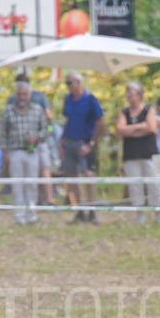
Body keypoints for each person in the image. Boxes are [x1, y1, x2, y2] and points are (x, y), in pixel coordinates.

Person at [0, 80, 49, 225]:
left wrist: (37, 136)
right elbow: (2, 134)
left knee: (31, 184)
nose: (22, 97)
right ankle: (19, 216)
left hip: (32, 151)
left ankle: (31, 214)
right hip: (15, 151)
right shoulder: (7, 111)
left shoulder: (38, 110)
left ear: (29, 95)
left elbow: (47, 130)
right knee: (17, 185)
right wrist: (4, 153)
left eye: (25, 94)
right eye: (19, 94)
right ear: (16, 95)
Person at [60, 71, 105, 224]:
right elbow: (67, 120)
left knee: (88, 175)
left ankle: (92, 211)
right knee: (73, 178)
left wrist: (91, 144)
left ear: (78, 83)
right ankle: (79, 210)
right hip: (69, 140)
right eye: (66, 83)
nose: (68, 86)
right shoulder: (68, 99)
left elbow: (101, 122)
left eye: (70, 83)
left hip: (85, 141)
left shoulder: (91, 99)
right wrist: (61, 140)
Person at [117, 81, 160, 226]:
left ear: (139, 94)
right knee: (135, 186)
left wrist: (130, 130)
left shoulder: (149, 109)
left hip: (150, 154)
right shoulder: (124, 112)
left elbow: (151, 127)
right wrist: (139, 127)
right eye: (127, 92)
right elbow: (120, 129)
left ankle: (159, 214)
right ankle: (140, 215)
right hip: (131, 154)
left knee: (155, 184)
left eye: (130, 93)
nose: (128, 95)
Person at [7, 72, 56, 205]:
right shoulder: (40, 96)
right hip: (42, 140)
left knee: (23, 175)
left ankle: (28, 202)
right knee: (44, 169)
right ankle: (49, 198)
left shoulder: (13, 99)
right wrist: (48, 130)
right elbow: (49, 117)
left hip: (19, 144)